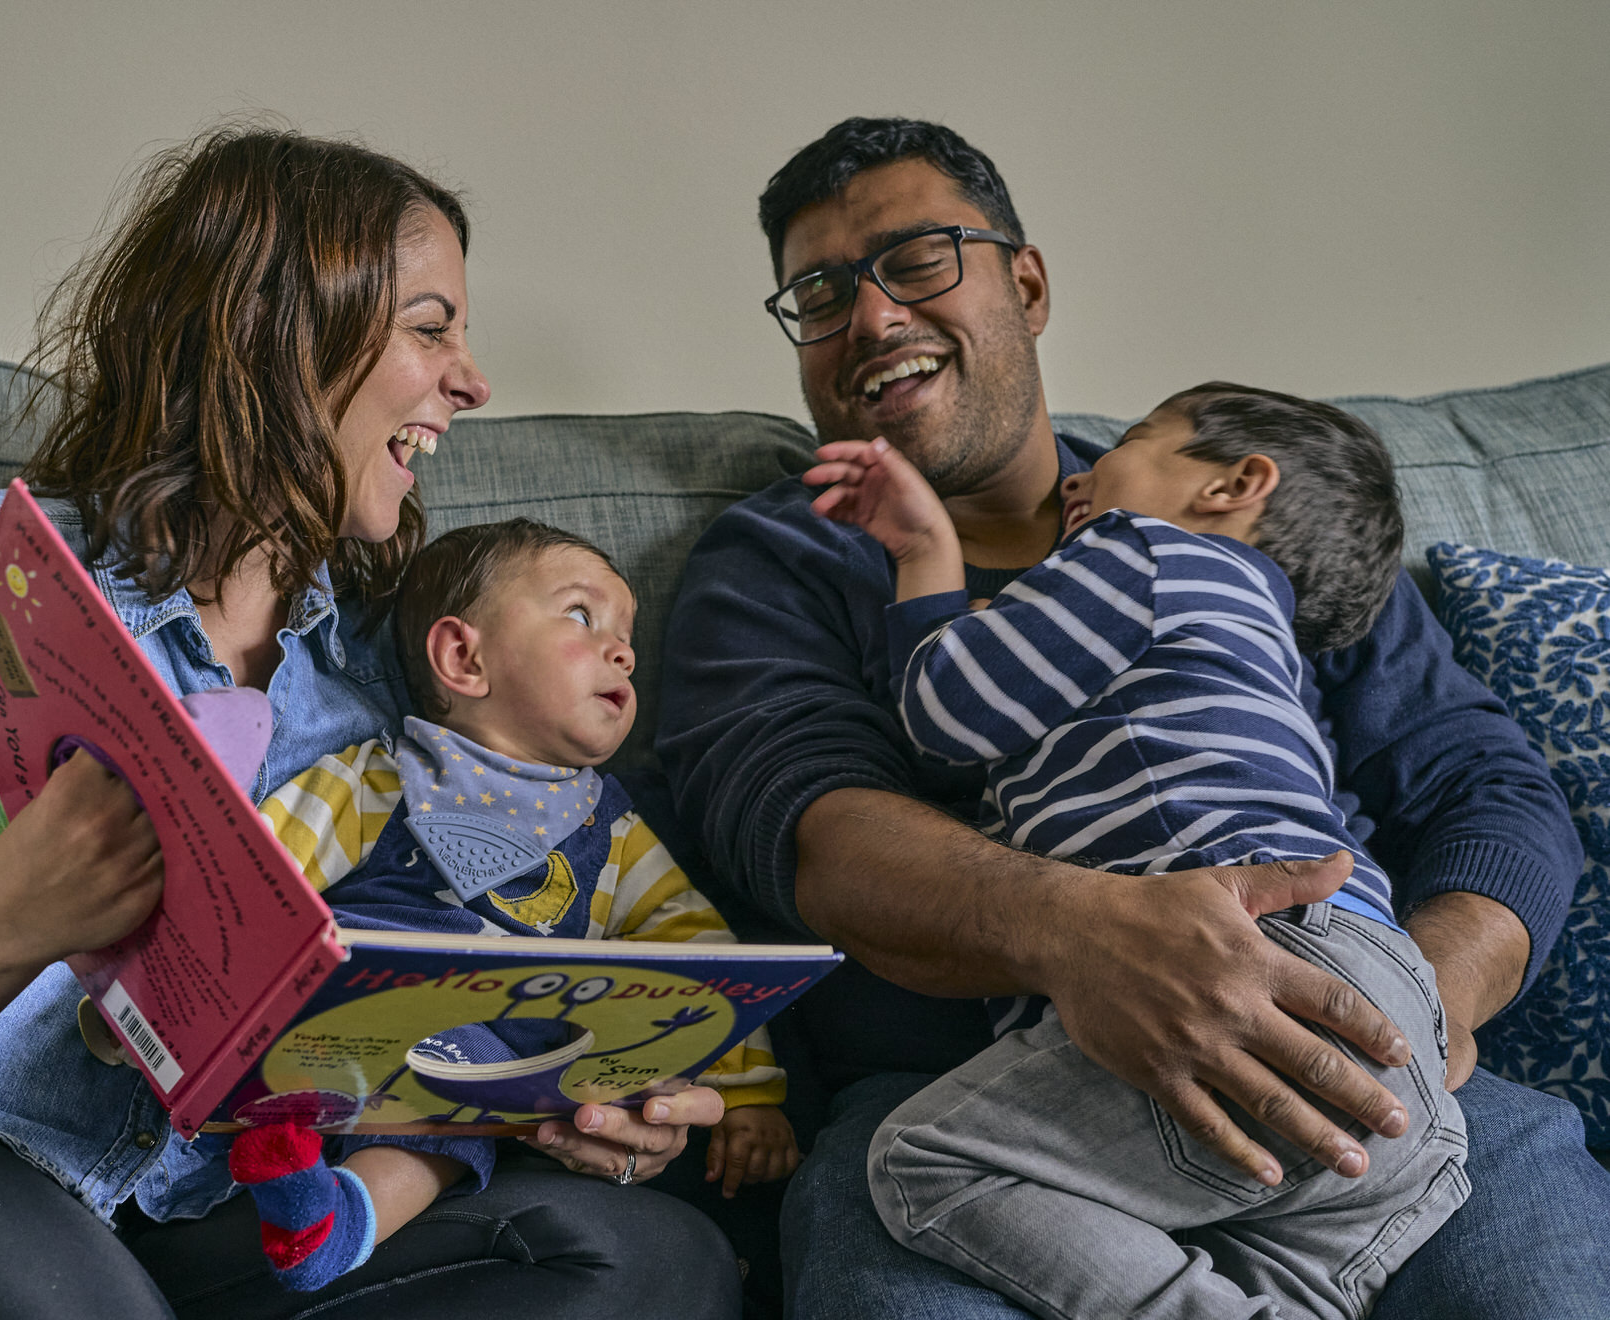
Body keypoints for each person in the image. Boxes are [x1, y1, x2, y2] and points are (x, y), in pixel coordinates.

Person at [0, 126, 739, 1320]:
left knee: (643, 1259)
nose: (471, 381)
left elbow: (380, 1014)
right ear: (280, 335)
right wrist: (26, 909)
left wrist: (555, 1093)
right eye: (431, 329)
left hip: (159, 1210)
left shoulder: (377, 696)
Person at [655, 115, 1610, 1318]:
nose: (874, 316)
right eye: (822, 293)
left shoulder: (1236, 516)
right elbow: (813, 834)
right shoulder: (779, 560)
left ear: (1027, 284)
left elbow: (1488, 788)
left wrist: (1411, 1004)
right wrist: (1084, 932)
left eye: (918, 260)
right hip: (981, 1089)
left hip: (1357, 1043)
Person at [807, 385, 1464, 1316]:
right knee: (1281, 1291)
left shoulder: (1143, 550)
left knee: (928, 1158)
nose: (1079, 478)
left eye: (1130, 442)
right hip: (1398, 1013)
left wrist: (926, 556)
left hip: (1253, 966)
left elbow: (950, 709)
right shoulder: (1261, 647)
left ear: (1234, 484)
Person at [234, 517, 801, 1291]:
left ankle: (328, 1224)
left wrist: (748, 1095)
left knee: (460, 1129)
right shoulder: (382, 776)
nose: (624, 651)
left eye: (627, 634)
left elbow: (697, 957)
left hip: (483, 1075)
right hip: (345, 1016)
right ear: (463, 658)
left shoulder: (615, 833)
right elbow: (257, 871)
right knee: (438, 1103)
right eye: (582, 615)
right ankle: (297, 1164)